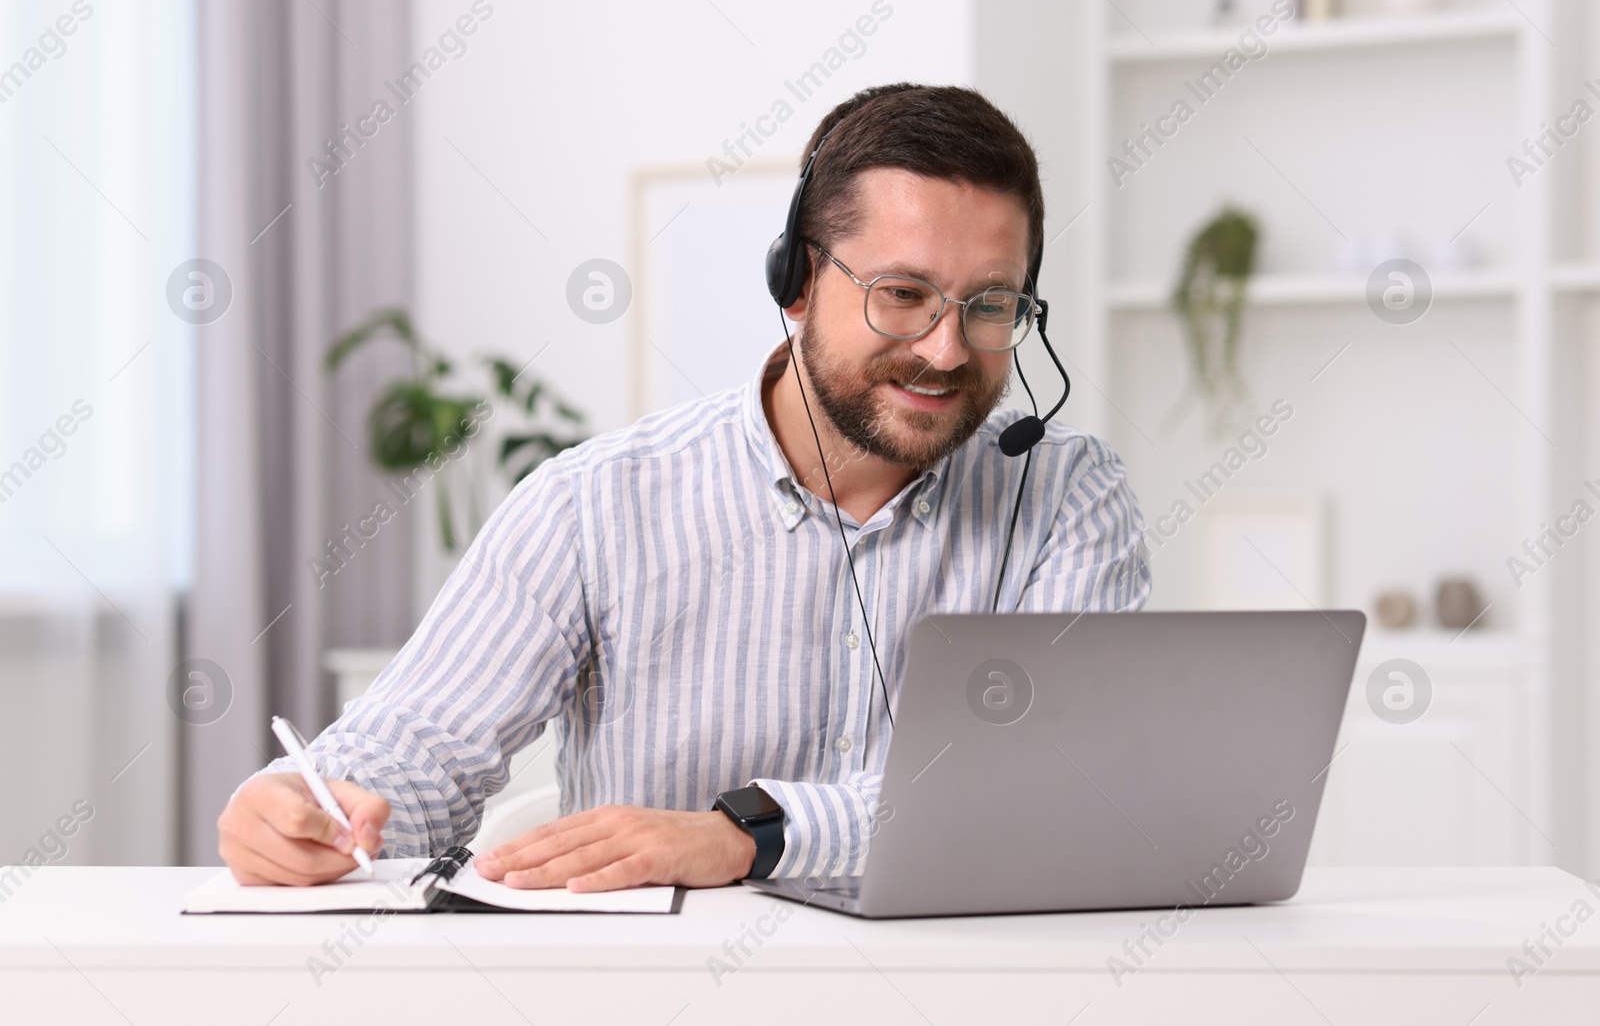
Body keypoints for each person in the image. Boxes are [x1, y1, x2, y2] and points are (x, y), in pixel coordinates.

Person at [217, 83, 1151, 889]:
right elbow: (415, 749)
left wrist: (745, 837)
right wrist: (313, 808)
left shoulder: (1065, 494)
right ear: (796, 284)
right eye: (901, 295)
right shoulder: (594, 505)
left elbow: (1043, 786)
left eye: (990, 305)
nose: (946, 350)